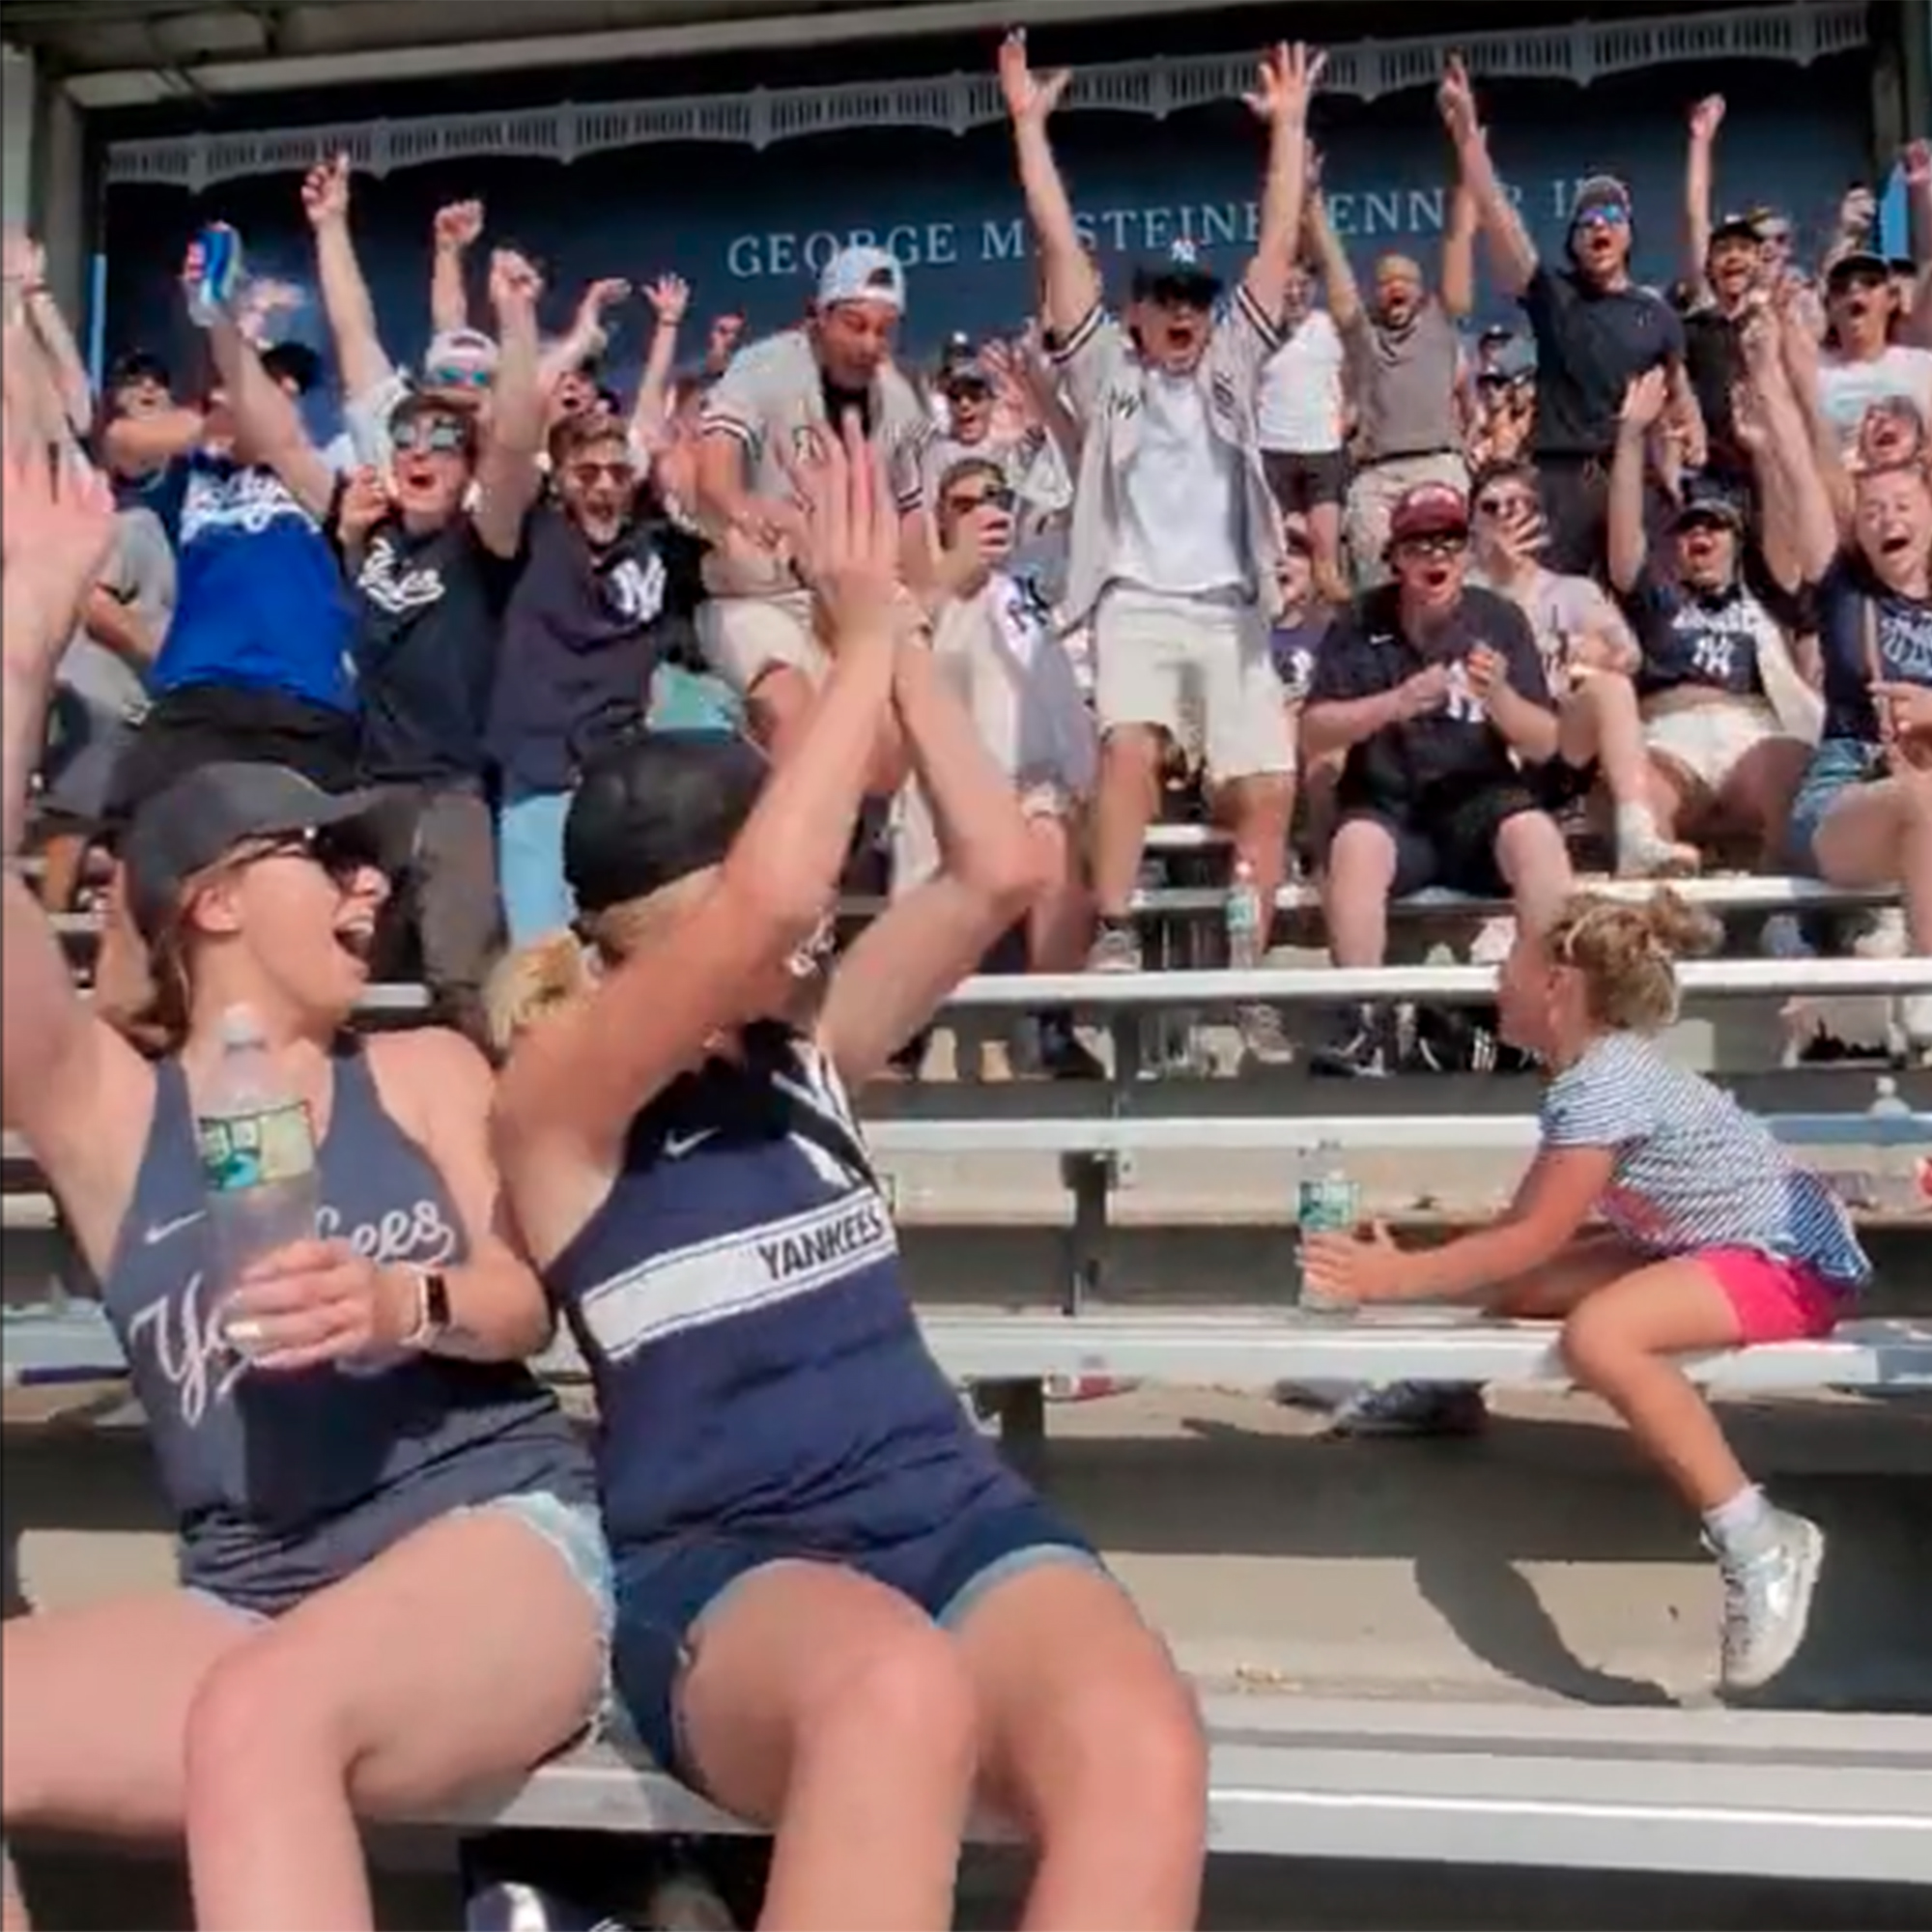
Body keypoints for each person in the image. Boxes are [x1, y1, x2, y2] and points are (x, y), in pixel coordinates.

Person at [487, 419, 1206, 1932]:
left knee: (1139, 1748)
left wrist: (907, 637)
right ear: (658, 920)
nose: (815, 927)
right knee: (892, 1699)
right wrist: (865, 635)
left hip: (939, 1507)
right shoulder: (560, 1106)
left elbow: (1004, 869)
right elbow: (771, 906)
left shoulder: (810, 1047)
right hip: (728, 1570)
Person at [0, 434, 610, 1932]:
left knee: (266, 1723)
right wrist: (26, 632)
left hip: (491, 1537)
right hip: (251, 1590)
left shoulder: (420, 1072)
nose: (369, 884)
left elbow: (526, 1301)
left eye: (369, 863)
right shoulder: (107, 1115)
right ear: (208, 897)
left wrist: (400, 1298)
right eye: (324, 857)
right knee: (258, 1700)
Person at [1302, 888, 1870, 1694]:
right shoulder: (1588, 1076)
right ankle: (1448, 1392)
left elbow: (1530, 1231)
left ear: (1558, 985)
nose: (1493, 982)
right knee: (1526, 1282)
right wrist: (1429, 1264)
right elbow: (1529, 1231)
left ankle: (1758, 1539)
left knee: (1601, 1336)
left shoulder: (1605, 1082)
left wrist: (1394, 1279)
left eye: (1507, 966)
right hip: (1704, 1244)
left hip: (1787, 1262)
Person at [1000, 28, 1320, 992]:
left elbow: (1273, 244)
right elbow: (1059, 242)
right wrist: (1026, 128)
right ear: (1134, 310)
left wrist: (1288, 128)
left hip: (1231, 612)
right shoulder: (1106, 375)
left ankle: (1243, 971)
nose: (1180, 309)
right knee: (1126, 746)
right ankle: (1116, 925)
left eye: (1192, 295)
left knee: (1266, 790)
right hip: (1135, 604)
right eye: (1162, 296)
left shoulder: (1230, 364)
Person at [329, 251, 549, 1040]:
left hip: (455, 790)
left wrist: (518, 320)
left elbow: (518, 442)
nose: (419, 455)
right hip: (366, 789)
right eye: (406, 444)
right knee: (338, 979)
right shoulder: (366, 532)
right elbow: (355, 349)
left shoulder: (481, 538)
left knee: (460, 983)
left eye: (440, 446)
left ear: (467, 471)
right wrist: (329, 227)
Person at [1303, 480, 1575, 1078]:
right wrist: (1393, 703)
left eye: (1450, 541)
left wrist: (1499, 695)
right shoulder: (1359, 620)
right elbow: (1315, 730)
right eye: (1421, 544)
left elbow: (1545, 741)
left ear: (1468, 553)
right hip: (1391, 805)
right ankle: (1364, 1024)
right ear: (1395, 557)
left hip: (1476, 801)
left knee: (1536, 837)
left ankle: (1545, 1015)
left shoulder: (1497, 619)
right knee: (1355, 846)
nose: (1437, 556)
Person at [1438, 57, 1701, 576]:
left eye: (1610, 218)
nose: (1598, 229)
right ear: (1573, 241)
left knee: (1645, 610)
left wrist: (1680, 456)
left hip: (1635, 481)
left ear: (1628, 233)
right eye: (1586, 222)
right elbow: (1502, 224)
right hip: (1560, 485)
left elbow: (1678, 400)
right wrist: (1468, 140)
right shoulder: (1555, 295)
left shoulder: (1658, 315)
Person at [693, 243, 931, 776]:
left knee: (906, 733)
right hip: (763, 595)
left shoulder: (898, 400)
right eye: (855, 324)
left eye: (884, 328)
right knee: (793, 709)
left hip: (852, 594)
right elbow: (713, 470)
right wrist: (745, 507)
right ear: (816, 317)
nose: (870, 343)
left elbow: (913, 523)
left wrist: (929, 605)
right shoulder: (764, 366)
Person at [489, 407, 708, 945]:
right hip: (543, 774)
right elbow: (507, 453)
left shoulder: (655, 546)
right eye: (587, 473)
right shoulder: (527, 537)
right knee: (542, 961)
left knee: (637, 955)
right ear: (559, 480)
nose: (604, 486)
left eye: (618, 473)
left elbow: (725, 530)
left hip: (623, 781)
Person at [1607, 365, 1818, 872]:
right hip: (1670, 731)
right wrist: (1630, 438)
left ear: (1737, 538)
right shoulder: (1658, 593)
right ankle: (1657, 910)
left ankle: (1786, 921)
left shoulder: (1764, 589)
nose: (1700, 536)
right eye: (1688, 528)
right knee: (1639, 790)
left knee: (1793, 770)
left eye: (1715, 526)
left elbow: (1790, 548)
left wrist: (1765, 452)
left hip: (1750, 727)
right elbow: (1623, 544)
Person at [1466, 461, 1695, 877]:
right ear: (1472, 525)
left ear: (1537, 516)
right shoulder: (1459, 594)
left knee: (1610, 689)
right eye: (1491, 507)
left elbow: (1630, 658)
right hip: (1480, 747)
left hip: (1554, 745)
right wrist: (1500, 582)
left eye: (1517, 504)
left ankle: (1637, 835)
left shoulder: (1572, 591)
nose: (1504, 515)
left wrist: (1596, 655)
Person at [1301, 167, 1476, 586]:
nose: (1394, 287)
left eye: (1404, 280)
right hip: (1376, 477)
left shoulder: (1440, 323)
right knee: (1377, 583)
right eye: (1384, 282)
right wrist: (1310, 199)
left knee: (1451, 582)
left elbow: (1458, 241)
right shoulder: (1364, 337)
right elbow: (1334, 267)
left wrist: (1468, 176)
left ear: (1420, 290)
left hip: (1438, 466)